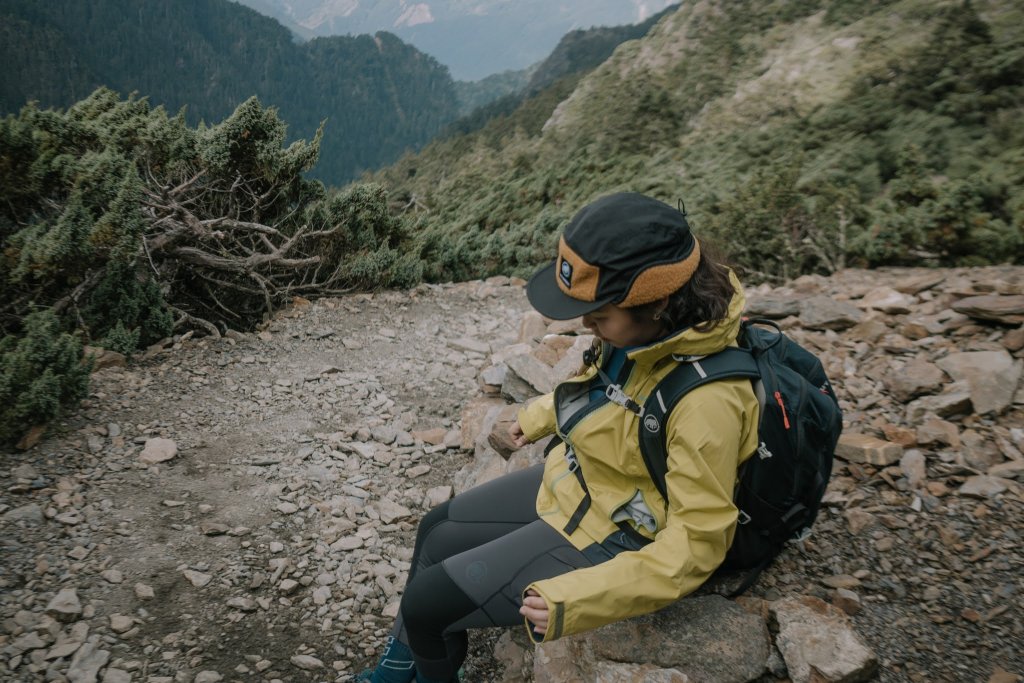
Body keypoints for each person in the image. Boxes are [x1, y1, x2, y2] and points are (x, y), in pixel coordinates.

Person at [356, 192, 760, 682]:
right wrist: (541, 415)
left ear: (658, 303)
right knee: (434, 529)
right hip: (589, 482)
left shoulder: (708, 402)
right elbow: (606, 392)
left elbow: (698, 544)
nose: (586, 325)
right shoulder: (647, 334)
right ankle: (399, 670)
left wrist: (574, 600)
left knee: (424, 604)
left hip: (622, 532)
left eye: (599, 315)